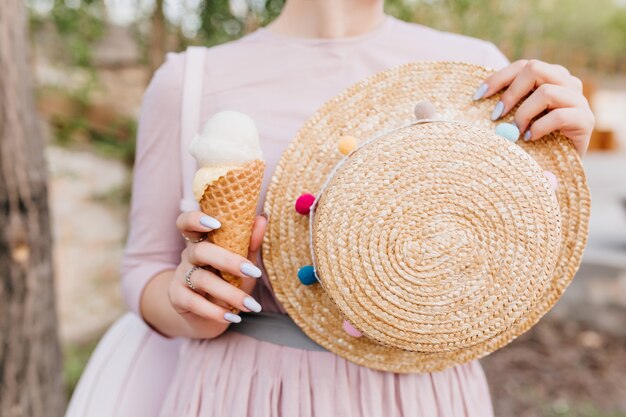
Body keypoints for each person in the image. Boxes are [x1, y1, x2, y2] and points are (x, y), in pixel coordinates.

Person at [66, 0, 594, 416]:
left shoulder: (479, 73)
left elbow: (510, 262)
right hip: (241, 390)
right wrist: (191, 305)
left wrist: (563, 158)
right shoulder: (190, 81)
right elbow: (143, 269)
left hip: (420, 395)